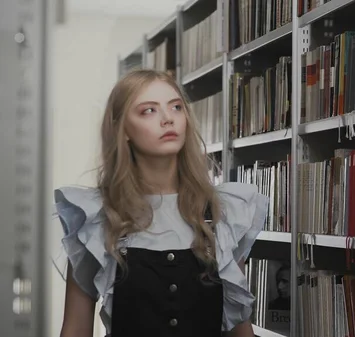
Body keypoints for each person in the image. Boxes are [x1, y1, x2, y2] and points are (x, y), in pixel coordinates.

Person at [53, 69, 269, 337]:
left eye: (176, 107)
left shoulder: (225, 213)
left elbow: (240, 330)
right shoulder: (96, 217)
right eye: (149, 111)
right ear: (123, 129)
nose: (168, 119)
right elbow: (75, 329)